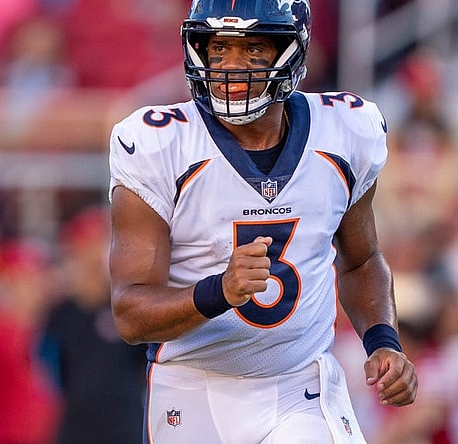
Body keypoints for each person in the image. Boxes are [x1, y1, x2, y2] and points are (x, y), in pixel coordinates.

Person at [107, 1, 418, 443]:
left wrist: (383, 340)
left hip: (300, 383)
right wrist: (218, 291)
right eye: (218, 50)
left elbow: (362, 259)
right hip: (193, 383)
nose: (232, 68)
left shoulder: (347, 130)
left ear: (291, 51)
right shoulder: (159, 142)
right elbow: (131, 314)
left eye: (253, 50)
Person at [41, 206, 147, 444]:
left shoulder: (127, 304)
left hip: (124, 427)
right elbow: (48, 370)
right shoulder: (60, 312)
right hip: (75, 428)